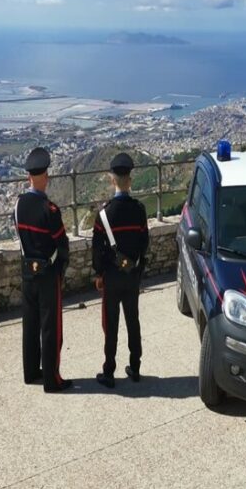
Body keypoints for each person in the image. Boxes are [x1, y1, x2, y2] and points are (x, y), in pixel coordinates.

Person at [14, 147, 72, 393]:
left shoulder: (18, 205)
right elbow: (62, 244)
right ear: (45, 176)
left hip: (27, 271)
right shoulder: (50, 210)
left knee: (30, 323)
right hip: (48, 274)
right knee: (51, 327)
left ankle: (30, 372)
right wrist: (61, 269)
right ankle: (52, 379)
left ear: (28, 177)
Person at [92, 152, 150, 388]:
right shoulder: (139, 210)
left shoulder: (104, 214)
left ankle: (109, 371)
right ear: (130, 179)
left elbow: (97, 250)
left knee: (112, 324)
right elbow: (144, 242)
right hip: (132, 275)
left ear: (112, 180)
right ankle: (135, 367)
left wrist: (99, 274)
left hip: (112, 276)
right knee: (133, 320)